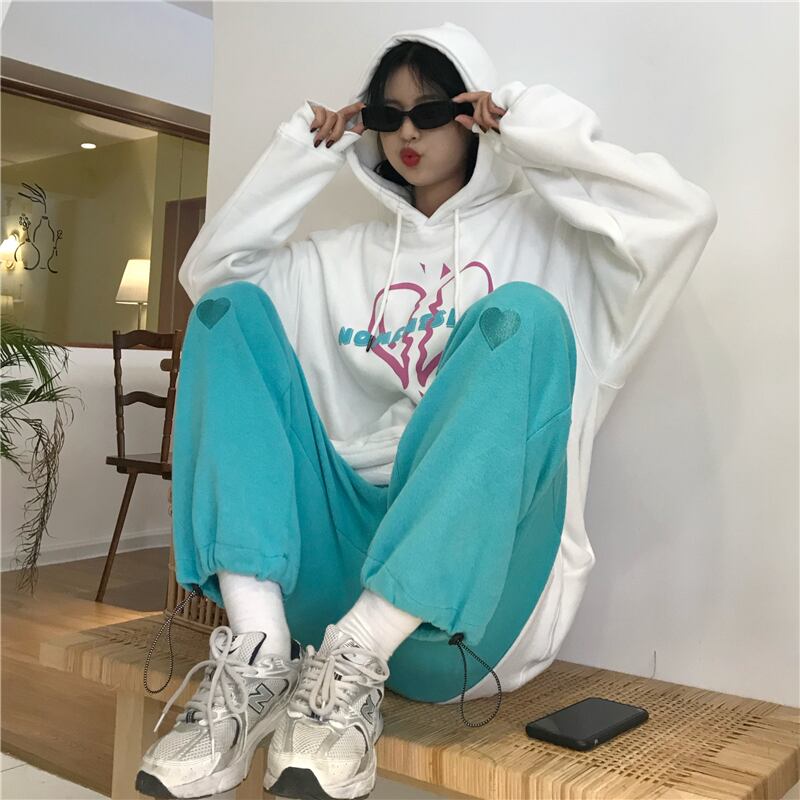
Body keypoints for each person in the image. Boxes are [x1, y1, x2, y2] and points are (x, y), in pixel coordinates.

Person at [135, 20, 718, 800]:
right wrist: (300, 153)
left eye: (432, 110)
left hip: (468, 612)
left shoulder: (559, 243)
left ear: (473, 115)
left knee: (522, 318)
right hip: (331, 584)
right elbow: (209, 277)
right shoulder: (337, 256)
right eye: (388, 115)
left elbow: (684, 216)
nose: (407, 133)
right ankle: (260, 653)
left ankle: (364, 648)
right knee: (228, 314)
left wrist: (530, 126)